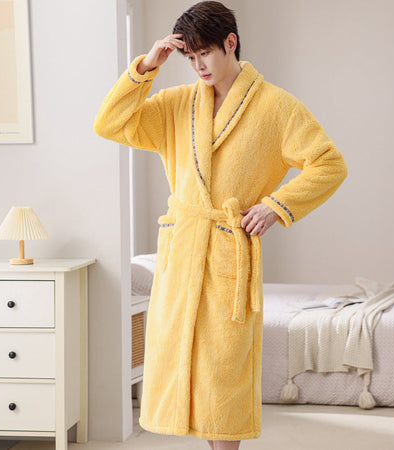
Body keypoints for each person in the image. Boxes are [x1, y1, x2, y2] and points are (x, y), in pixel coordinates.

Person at [94, 2, 348, 449]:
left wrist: (275, 206)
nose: (198, 66)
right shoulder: (176, 104)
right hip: (182, 250)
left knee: (223, 375)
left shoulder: (276, 107)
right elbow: (110, 124)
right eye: (190, 57)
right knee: (183, 366)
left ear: (230, 43)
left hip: (228, 252)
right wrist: (146, 67)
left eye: (205, 54)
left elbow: (329, 164)